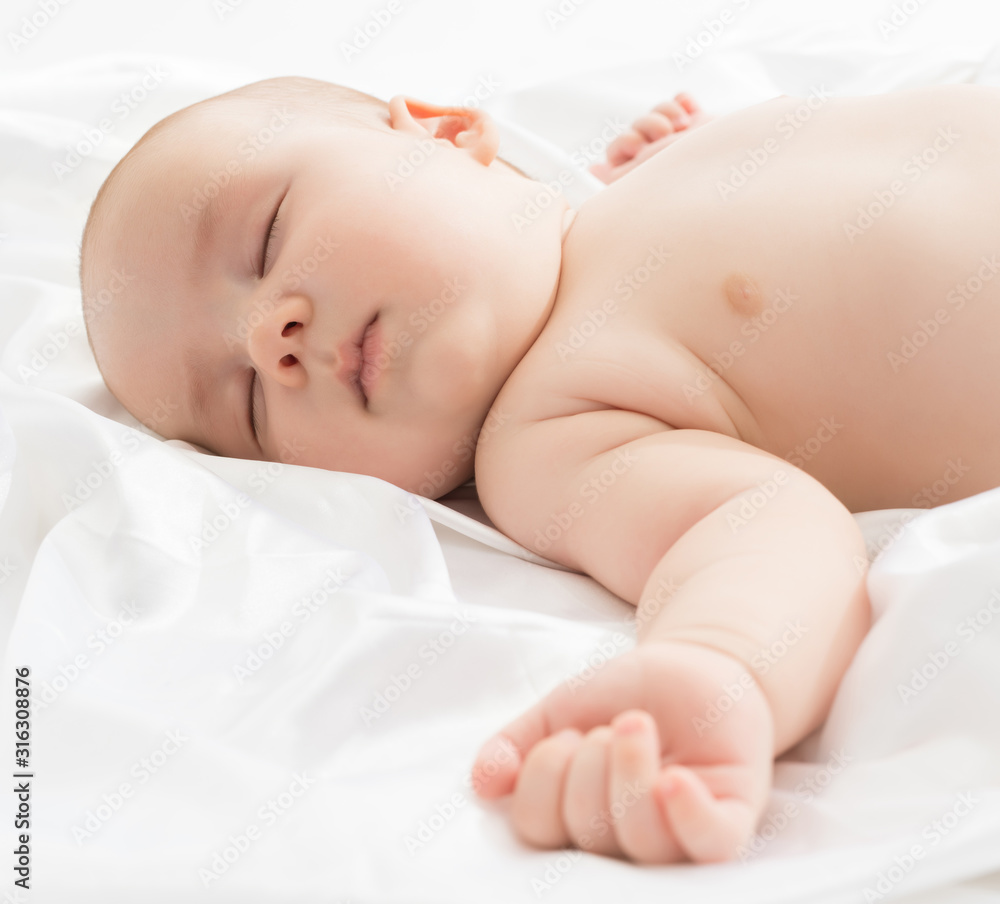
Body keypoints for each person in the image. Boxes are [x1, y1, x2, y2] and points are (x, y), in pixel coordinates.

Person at [78, 75, 1000, 865]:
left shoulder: (622, 199)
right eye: (245, 404)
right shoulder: (551, 440)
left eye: (266, 238)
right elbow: (763, 531)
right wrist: (715, 666)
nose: (265, 339)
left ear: (444, 131)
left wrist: (693, 151)